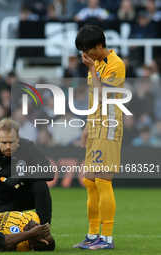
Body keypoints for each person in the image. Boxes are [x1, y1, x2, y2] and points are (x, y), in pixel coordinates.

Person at [74, 24, 126, 250]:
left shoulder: (116, 64)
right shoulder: (93, 64)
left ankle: (107, 238)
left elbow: (104, 95)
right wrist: (87, 125)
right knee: (89, 182)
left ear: (99, 46)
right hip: (95, 127)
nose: (83, 55)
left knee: (103, 181)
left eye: (87, 49)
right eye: (81, 50)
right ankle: (92, 233)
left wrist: (93, 71)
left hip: (110, 126)